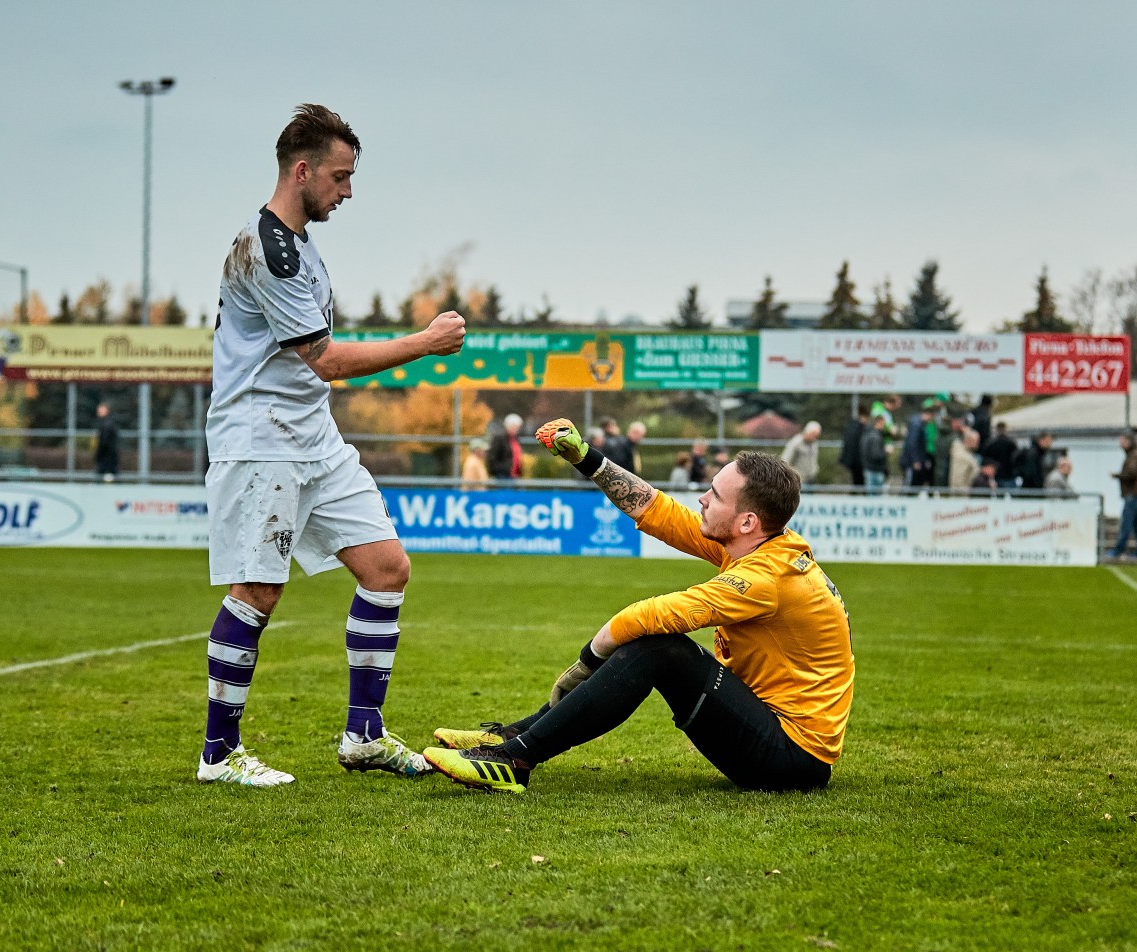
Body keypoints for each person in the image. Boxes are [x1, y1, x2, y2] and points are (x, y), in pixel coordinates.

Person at [197, 102, 467, 787]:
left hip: (312, 436)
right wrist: (424, 344)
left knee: (386, 567)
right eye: (341, 178)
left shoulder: (300, 241)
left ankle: (364, 736)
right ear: (302, 169)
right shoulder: (271, 252)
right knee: (257, 589)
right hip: (263, 440)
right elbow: (327, 360)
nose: (348, 192)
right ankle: (219, 755)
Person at [424, 418, 853, 794]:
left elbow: (662, 614)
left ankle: (515, 758)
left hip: (790, 758)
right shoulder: (761, 545)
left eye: (715, 495)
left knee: (659, 648)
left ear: (747, 522)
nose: (702, 499)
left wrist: (592, 655)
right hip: (774, 733)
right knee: (659, 645)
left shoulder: (767, 577)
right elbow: (661, 511)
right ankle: (516, 738)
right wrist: (589, 459)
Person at [1106, 434, 1137, 563]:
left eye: (1123, 441)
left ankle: (1119, 550)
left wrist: (1117, 475)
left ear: (1130, 442)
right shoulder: (1134, 455)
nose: (1121, 444)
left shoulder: (1136, 455)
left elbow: (1132, 473)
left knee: (1127, 523)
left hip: (1134, 495)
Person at [781, 421, 822, 485]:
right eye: (813, 435)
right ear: (807, 432)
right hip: (798, 478)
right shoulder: (795, 442)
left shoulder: (814, 443)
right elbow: (785, 459)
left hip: (811, 477)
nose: (815, 438)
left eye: (817, 436)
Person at [980, 421, 1019, 489]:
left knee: (999, 497)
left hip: (997, 475)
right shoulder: (1011, 443)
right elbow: (1016, 458)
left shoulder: (990, 444)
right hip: (1010, 474)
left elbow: (986, 459)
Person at [487, 412, 523, 479]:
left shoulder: (515, 439)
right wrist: (501, 469)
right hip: (502, 475)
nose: (516, 430)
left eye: (517, 427)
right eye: (514, 427)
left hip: (515, 475)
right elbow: (492, 457)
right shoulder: (499, 439)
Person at [862, 414, 889, 493]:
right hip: (875, 470)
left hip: (869, 468)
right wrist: (885, 451)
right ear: (879, 422)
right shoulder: (875, 437)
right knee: (875, 497)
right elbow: (876, 455)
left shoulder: (867, 434)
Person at [93, 403, 120, 481]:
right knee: (114, 475)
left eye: (101, 410)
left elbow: (104, 442)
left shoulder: (107, 424)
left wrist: (99, 454)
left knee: (100, 476)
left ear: (107, 411)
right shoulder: (107, 423)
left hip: (107, 456)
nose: (98, 411)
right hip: (110, 455)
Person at [838, 413, 866, 487]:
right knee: (859, 482)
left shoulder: (851, 428)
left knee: (857, 482)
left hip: (854, 462)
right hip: (857, 462)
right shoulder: (859, 429)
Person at [949, 428, 979, 492]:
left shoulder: (967, 452)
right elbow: (958, 478)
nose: (977, 444)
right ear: (968, 440)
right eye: (976, 441)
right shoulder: (962, 456)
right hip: (961, 492)